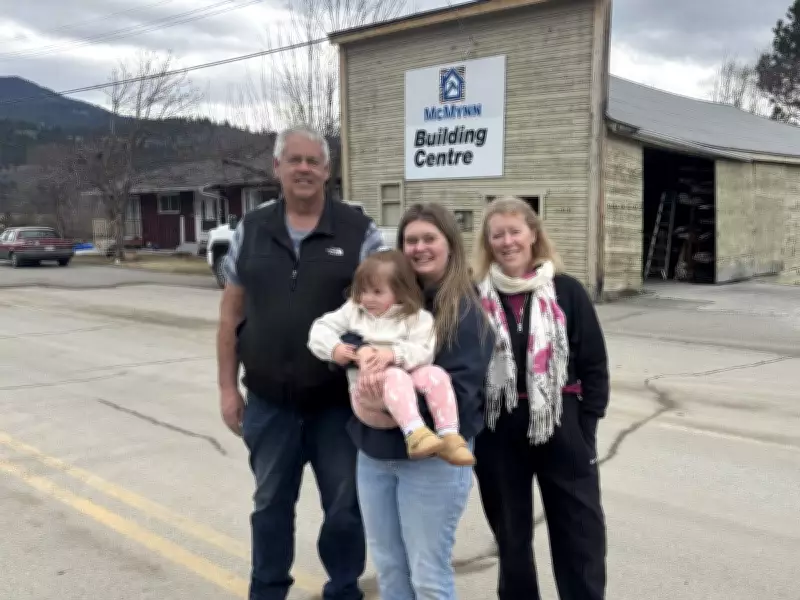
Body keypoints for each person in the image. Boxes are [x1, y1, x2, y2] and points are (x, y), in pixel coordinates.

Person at [215, 124, 385, 600]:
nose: (305, 169)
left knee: (345, 508)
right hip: (270, 405)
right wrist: (229, 390)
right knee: (269, 506)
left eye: (314, 161)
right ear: (277, 168)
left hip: (338, 405)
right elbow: (230, 315)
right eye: (295, 160)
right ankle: (267, 591)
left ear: (328, 171)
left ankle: (345, 589)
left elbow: (388, 307)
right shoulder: (251, 230)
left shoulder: (359, 232)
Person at [347, 203, 494, 600]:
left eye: (429, 238)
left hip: (432, 464)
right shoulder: (380, 303)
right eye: (410, 240)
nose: (419, 247)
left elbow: (463, 395)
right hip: (374, 457)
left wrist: (384, 406)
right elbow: (347, 349)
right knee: (390, 568)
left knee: (428, 575)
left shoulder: (466, 312)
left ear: (450, 244)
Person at [471, 196, 610, 600]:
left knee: (579, 533)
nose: (507, 241)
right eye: (497, 234)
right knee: (511, 538)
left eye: (515, 231)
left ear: (533, 234)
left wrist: (586, 426)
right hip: (499, 429)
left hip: (561, 424)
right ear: (488, 241)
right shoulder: (475, 296)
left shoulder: (566, 291)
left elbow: (594, 364)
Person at [307, 249, 476, 466]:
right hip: (368, 398)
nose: (367, 298)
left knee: (435, 373)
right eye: (362, 291)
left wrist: (394, 354)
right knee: (395, 376)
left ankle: (450, 436)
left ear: (400, 291)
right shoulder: (354, 311)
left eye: (377, 292)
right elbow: (319, 328)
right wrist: (335, 348)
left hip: (406, 394)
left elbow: (425, 351)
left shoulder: (418, 318)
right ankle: (415, 434)